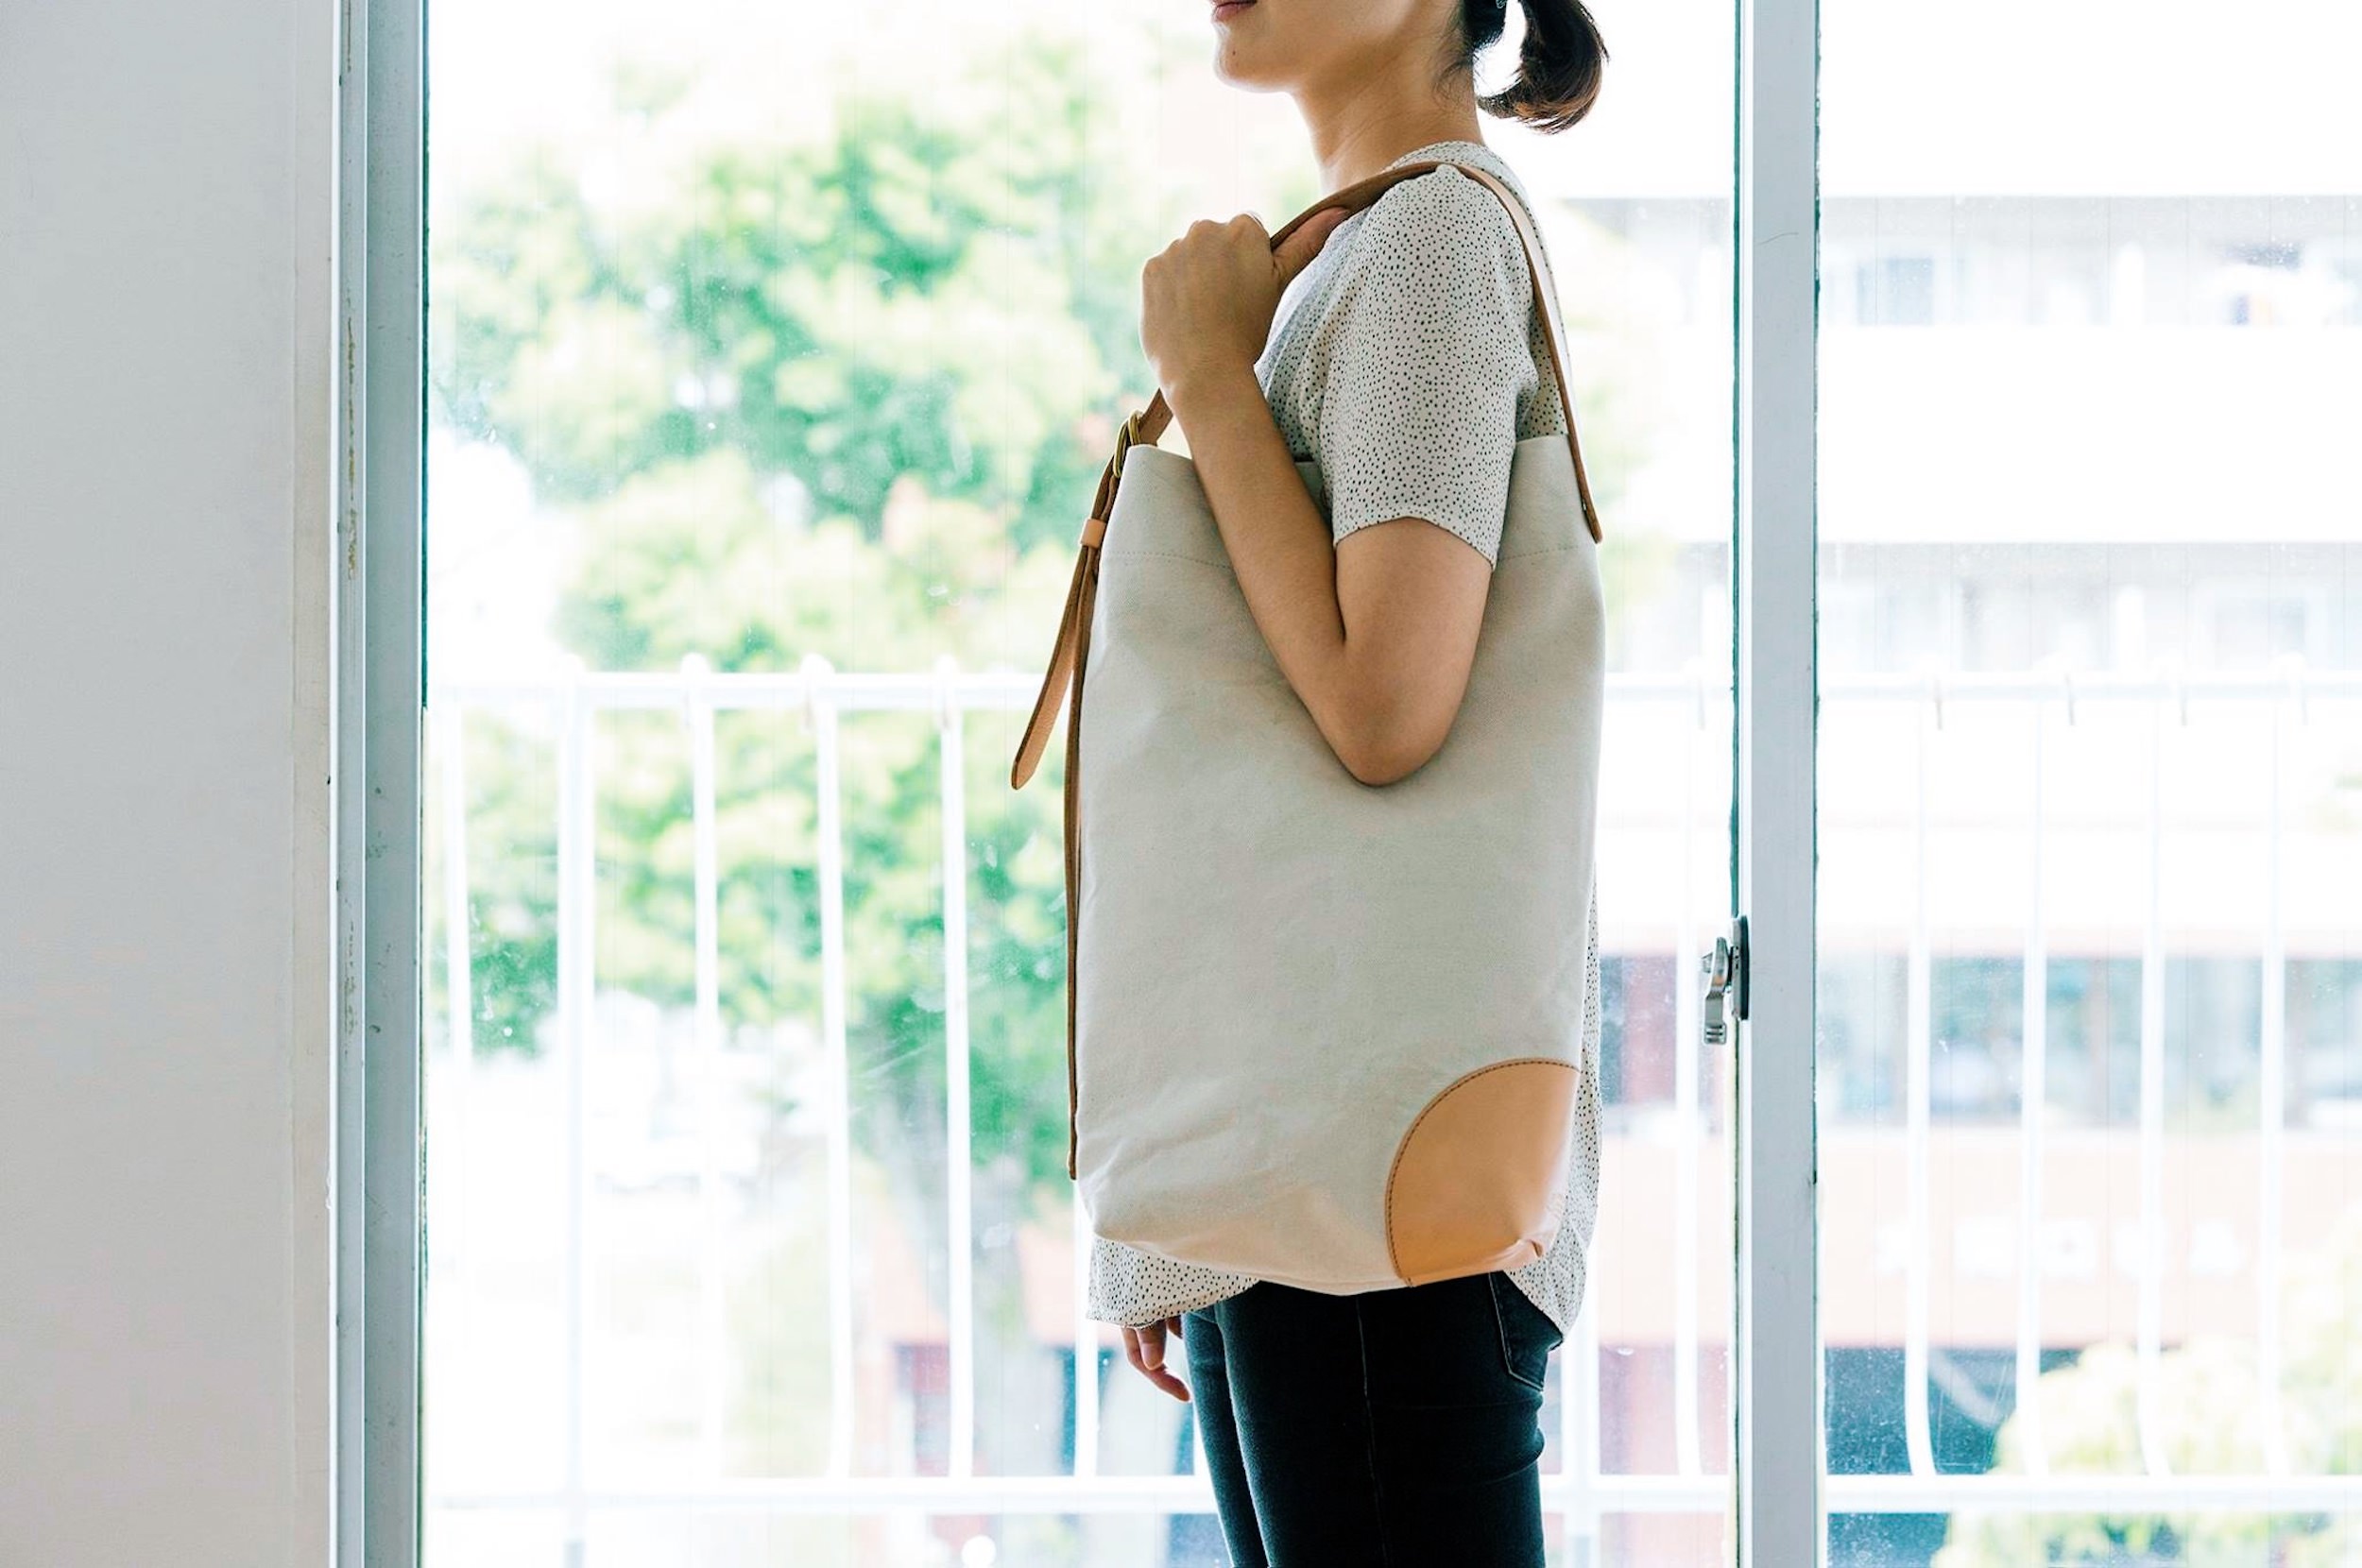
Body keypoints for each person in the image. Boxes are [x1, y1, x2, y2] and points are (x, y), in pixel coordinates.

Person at [1090, 0, 1611, 1560]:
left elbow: (1386, 705)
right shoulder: (1353, 258)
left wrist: (1205, 374)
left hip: (1377, 1196)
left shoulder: (1432, 243)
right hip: (1329, 1167)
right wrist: (1195, 1205)